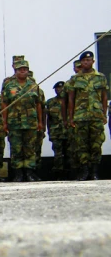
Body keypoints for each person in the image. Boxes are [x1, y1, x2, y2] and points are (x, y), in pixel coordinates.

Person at [66, 50, 109, 181]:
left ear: (93, 61)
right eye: (84, 60)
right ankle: (84, 171)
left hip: (96, 116)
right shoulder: (75, 79)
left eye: (88, 60)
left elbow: (104, 97)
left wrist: (104, 115)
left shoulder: (100, 77)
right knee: (81, 145)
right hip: (80, 116)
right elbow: (71, 99)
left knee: (96, 144)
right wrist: (71, 117)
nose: (86, 62)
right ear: (81, 62)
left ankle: (94, 171)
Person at [1, 58, 42, 182]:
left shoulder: (34, 86)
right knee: (16, 148)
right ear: (16, 70)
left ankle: (29, 173)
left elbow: (39, 104)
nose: (23, 71)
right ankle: (18, 174)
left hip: (30, 122)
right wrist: (4, 122)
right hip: (14, 122)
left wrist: (40, 122)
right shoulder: (9, 86)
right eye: (20, 69)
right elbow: (4, 104)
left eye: (25, 69)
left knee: (30, 148)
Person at [45, 81, 69, 180]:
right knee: (57, 154)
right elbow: (48, 118)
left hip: (68, 132)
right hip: (56, 133)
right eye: (57, 88)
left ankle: (69, 173)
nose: (59, 90)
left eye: (62, 88)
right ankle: (58, 173)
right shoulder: (50, 102)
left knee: (70, 153)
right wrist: (48, 131)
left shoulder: (70, 102)